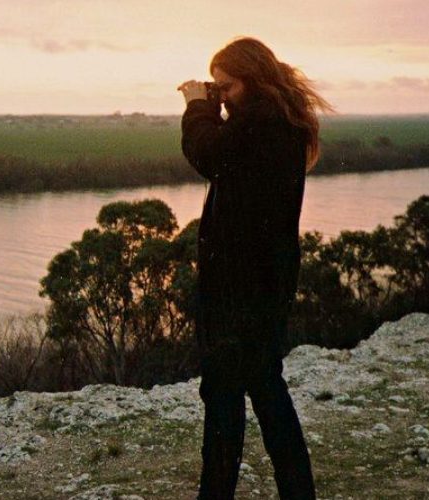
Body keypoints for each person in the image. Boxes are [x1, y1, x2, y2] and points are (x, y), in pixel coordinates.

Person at [177, 36, 333, 499]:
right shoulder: (276, 120)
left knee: (225, 395)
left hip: (237, 288)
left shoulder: (259, 126)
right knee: (266, 388)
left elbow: (209, 154)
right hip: (266, 283)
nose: (221, 95)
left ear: (254, 80)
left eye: (227, 87)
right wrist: (217, 104)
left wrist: (195, 106)